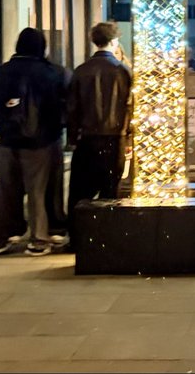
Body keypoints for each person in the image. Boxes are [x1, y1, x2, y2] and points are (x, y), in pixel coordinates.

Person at [0, 28, 67, 256]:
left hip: (8, 140)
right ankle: (39, 238)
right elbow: (59, 106)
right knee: (38, 191)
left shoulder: (3, 71)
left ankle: (0, 237)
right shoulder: (52, 72)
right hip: (41, 141)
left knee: (6, 189)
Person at [66, 22, 132, 245]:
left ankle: (78, 237)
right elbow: (129, 107)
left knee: (80, 191)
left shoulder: (81, 71)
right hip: (115, 139)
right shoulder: (122, 71)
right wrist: (129, 136)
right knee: (110, 190)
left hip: (87, 139)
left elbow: (72, 108)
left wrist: (73, 138)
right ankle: (109, 237)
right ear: (113, 42)